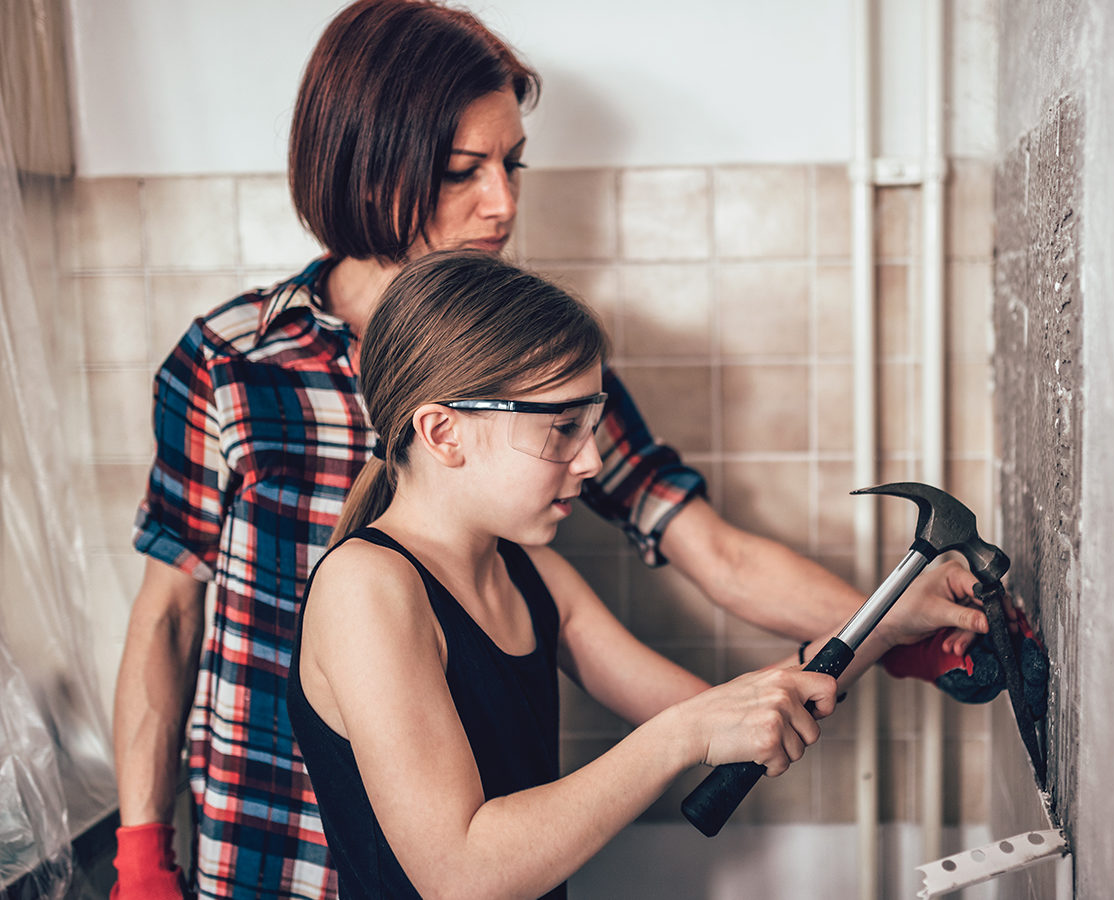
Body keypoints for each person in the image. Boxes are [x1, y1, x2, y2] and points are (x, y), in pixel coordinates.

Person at [108, 2, 987, 898]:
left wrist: (890, 623)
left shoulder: (542, 377)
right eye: (463, 171)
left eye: (512, 164)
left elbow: (716, 560)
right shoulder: (230, 363)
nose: (505, 202)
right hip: (269, 839)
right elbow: (171, 614)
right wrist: (142, 850)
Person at [288, 250, 895, 898]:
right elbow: (461, 874)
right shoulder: (367, 588)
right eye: (562, 429)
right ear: (443, 433)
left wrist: (887, 622)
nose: (591, 460)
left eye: (592, 423)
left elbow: (724, 713)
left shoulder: (530, 573)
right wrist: (681, 737)